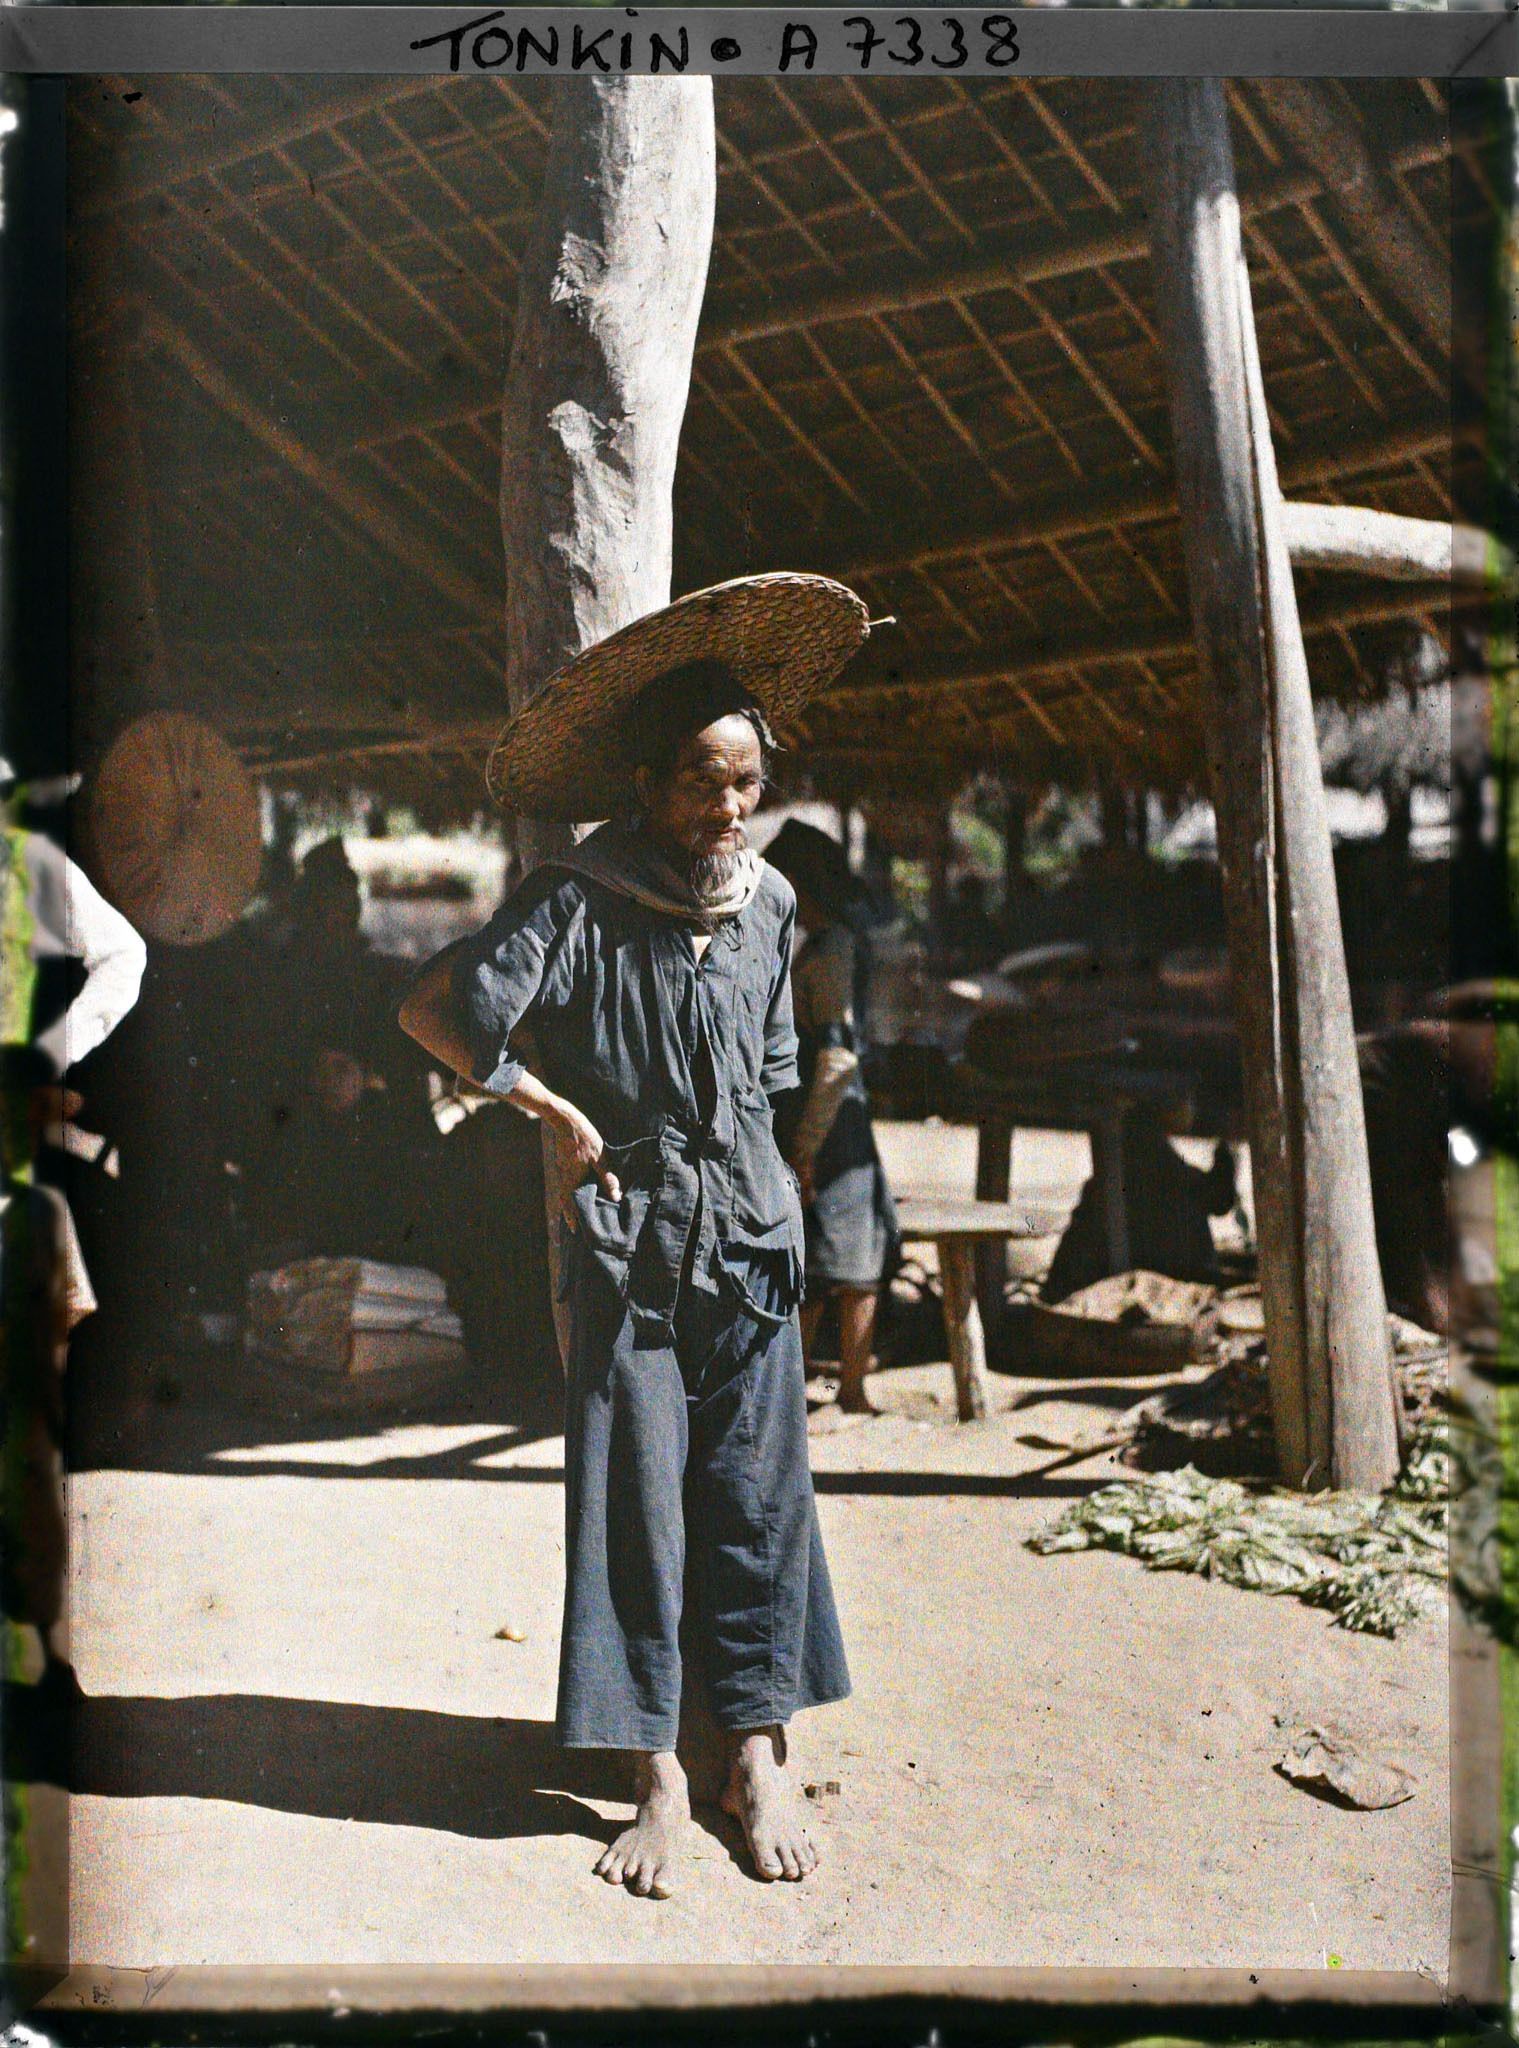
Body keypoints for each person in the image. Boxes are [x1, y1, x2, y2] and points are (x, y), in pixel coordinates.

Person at [399, 574, 870, 1899]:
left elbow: (777, 1066)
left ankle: (758, 1757)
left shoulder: (769, 904)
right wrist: (547, 1111)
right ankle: (660, 1775)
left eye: (744, 784)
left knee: (762, 1505)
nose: (725, 810)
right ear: (648, 783)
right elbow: (438, 1011)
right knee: (632, 1511)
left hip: (749, 1252)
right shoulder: (575, 897)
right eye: (699, 783)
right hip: (624, 1259)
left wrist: (774, 1196)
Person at [765, 820, 899, 1415]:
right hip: (834, 1112)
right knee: (829, 1254)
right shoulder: (828, 945)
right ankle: (831, 1386)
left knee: (839, 1255)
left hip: (829, 1113)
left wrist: (805, 1143)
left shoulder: (831, 951)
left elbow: (836, 1054)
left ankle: (848, 1387)